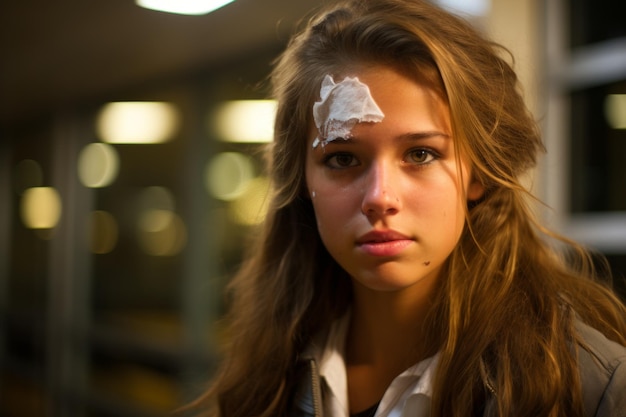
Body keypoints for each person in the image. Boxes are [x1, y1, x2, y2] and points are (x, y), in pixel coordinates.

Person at [192, 0, 626, 416]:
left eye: (421, 154)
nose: (380, 197)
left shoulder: (589, 388)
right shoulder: (270, 371)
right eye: (342, 159)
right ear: (303, 180)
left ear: (479, 174)